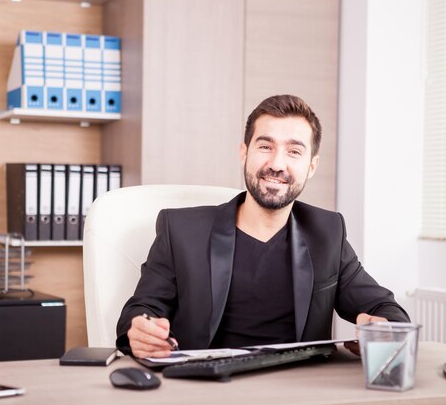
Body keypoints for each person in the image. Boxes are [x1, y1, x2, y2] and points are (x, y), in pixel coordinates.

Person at [116, 94, 409, 358]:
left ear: (312, 165)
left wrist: (382, 328)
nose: (276, 164)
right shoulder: (181, 230)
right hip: (205, 389)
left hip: (297, 389)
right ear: (244, 153)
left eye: (294, 151)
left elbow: (388, 310)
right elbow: (141, 309)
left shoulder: (327, 232)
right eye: (265, 146)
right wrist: (140, 331)